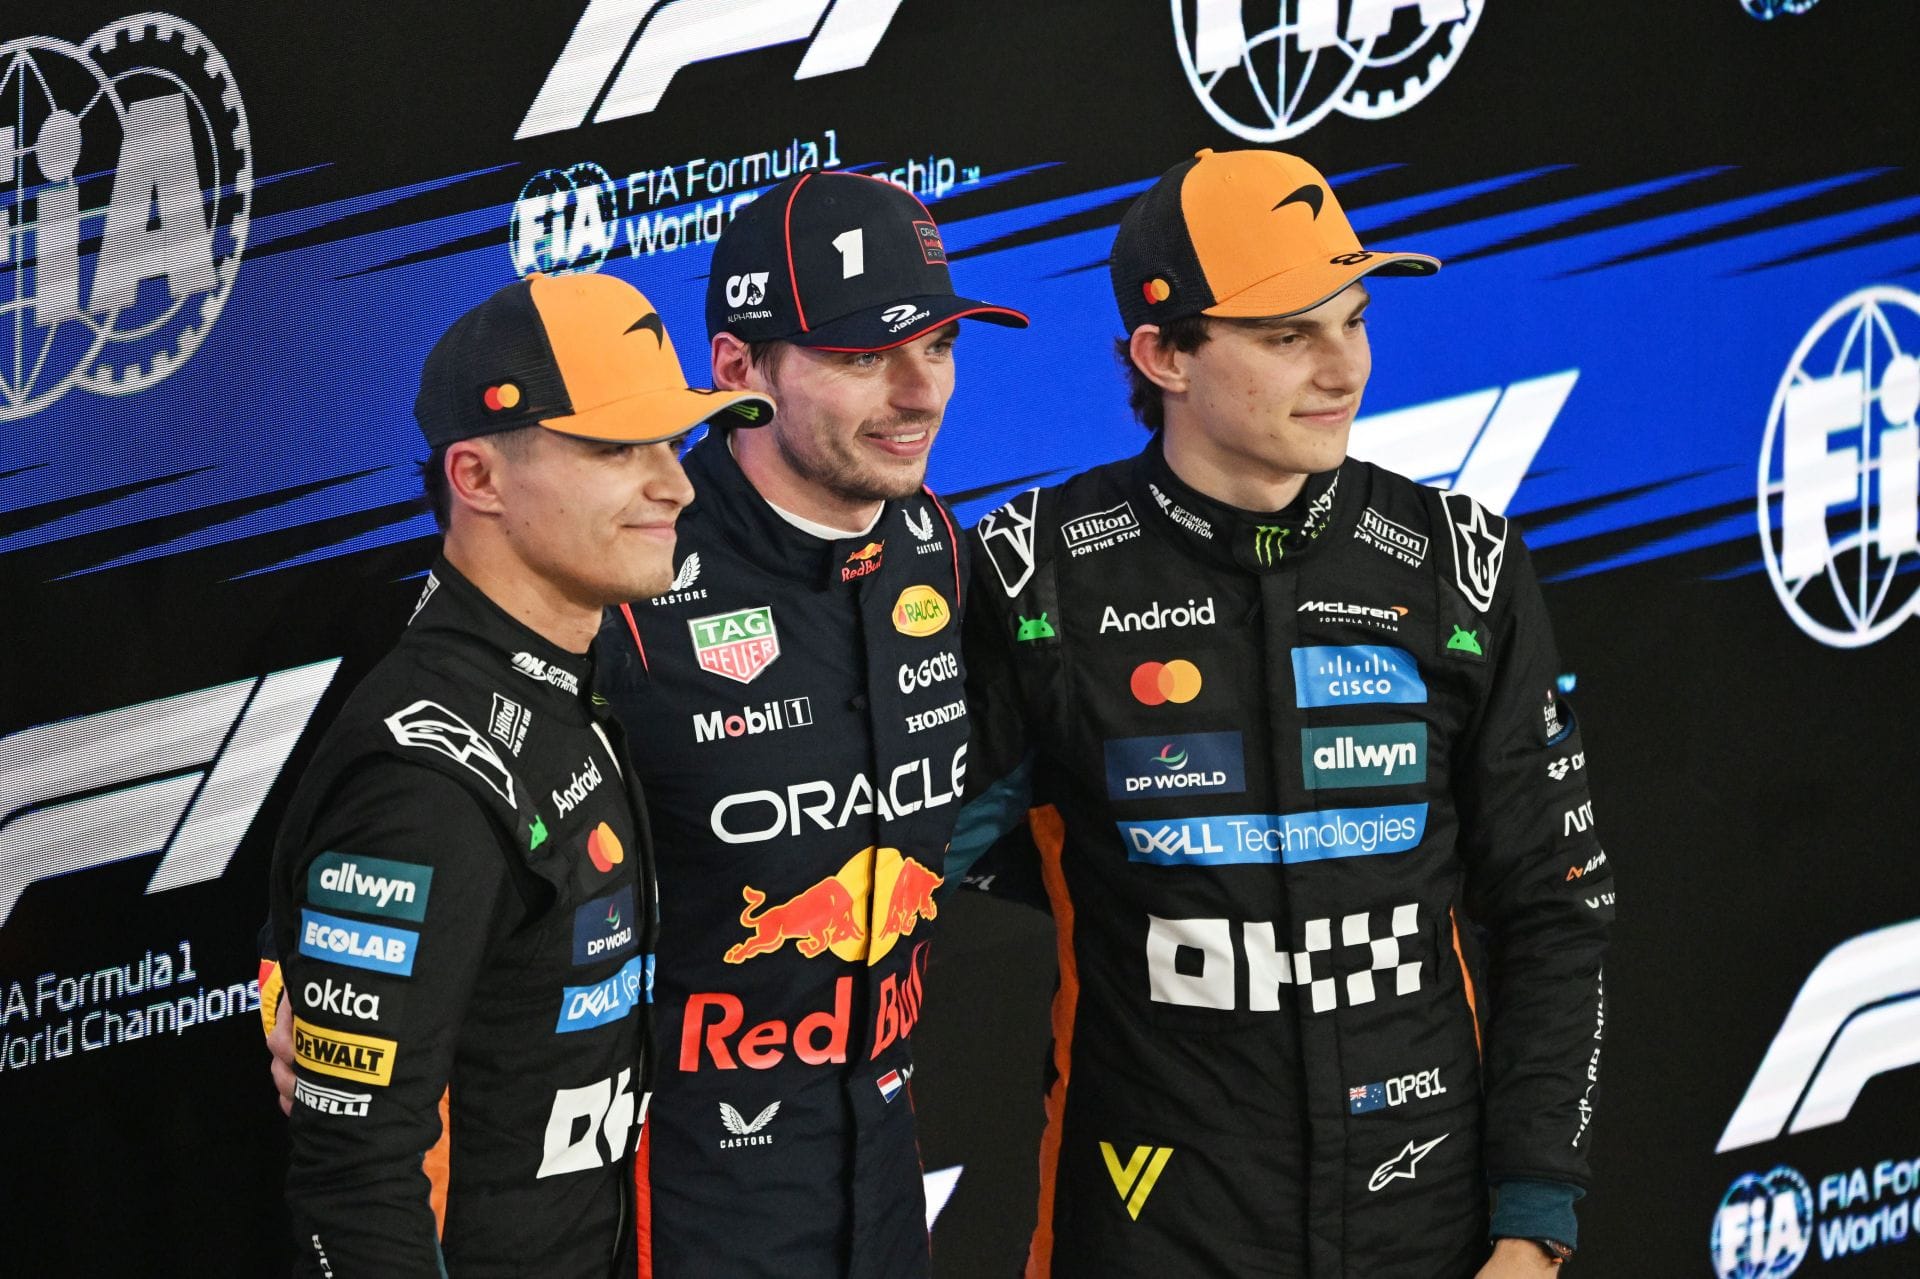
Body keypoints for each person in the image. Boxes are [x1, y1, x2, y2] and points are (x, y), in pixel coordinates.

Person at [953, 148, 1613, 1277]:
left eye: (1352, 322)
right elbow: (934, 852)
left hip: (1429, 1222)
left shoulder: (1460, 566)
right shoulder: (1037, 576)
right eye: (1286, 335)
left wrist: (1534, 1223)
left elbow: (1556, 912)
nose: (1342, 367)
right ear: (1162, 354)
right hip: (1153, 1222)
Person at [261, 272, 770, 1276]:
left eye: (672, 444)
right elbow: (355, 1184)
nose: (676, 485)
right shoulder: (426, 777)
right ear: (478, 477)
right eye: (619, 449)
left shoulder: (568, 673)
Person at [591, 170, 1027, 1277]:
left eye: (936, 346)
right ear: (739, 369)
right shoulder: (622, 575)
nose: (919, 392)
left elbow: (977, 795)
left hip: (882, 1183)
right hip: (677, 1200)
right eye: (860, 358)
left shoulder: (933, 542)